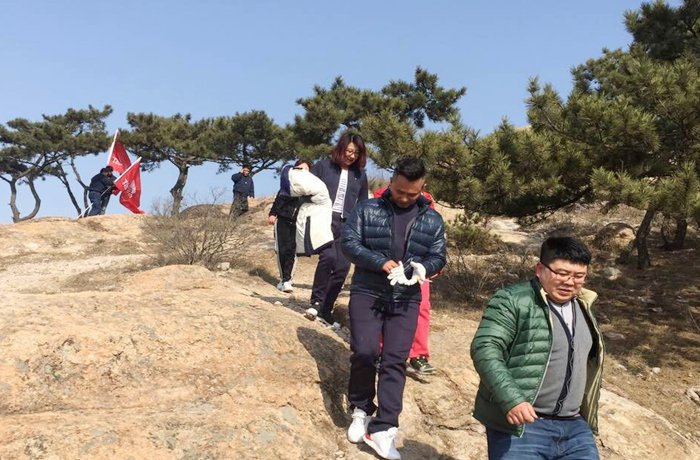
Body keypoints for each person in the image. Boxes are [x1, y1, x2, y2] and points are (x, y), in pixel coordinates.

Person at [341, 157, 447, 460]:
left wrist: (423, 268)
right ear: (391, 181)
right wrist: (380, 262)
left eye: (412, 194)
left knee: (395, 360)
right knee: (364, 352)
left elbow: (439, 256)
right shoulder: (367, 209)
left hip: (407, 297)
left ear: (422, 188)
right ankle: (361, 408)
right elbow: (349, 243)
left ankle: (384, 427)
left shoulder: (433, 219)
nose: (404, 198)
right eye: (399, 191)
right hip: (368, 291)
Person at [470, 236, 604, 460]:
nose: (570, 282)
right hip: (523, 425)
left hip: (574, 427)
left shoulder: (584, 305)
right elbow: (485, 348)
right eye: (562, 273)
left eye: (578, 276)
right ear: (540, 269)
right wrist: (512, 399)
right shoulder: (512, 301)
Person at [305, 132, 369, 327]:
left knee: (342, 267)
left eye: (356, 153)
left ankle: (327, 308)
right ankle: (316, 302)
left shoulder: (360, 175)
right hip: (324, 218)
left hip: (347, 224)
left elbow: (363, 202)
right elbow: (307, 189)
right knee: (328, 257)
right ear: (341, 148)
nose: (351, 155)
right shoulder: (323, 166)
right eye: (349, 151)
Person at [374, 184, 438, 375]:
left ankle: (418, 355)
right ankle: (381, 352)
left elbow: (434, 237)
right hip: (390, 265)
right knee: (384, 306)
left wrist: (432, 267)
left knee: (422, 308)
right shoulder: (381, 196)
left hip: (418, 267)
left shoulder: (428, 201)